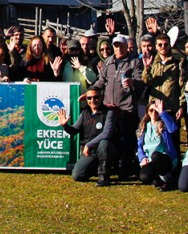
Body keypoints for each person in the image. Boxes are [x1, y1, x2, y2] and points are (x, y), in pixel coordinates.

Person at [94, 35, 140, 186]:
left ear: (127, 47)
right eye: (116, 46)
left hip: (127, 109)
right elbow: (101, 82)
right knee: (107, 141)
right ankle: (106, 172)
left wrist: (133, 82)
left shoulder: (134, 62)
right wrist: (90, 91)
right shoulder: (108, 62)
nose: (118, 48)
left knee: (128, 142)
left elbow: (142, 82)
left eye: (121, 46)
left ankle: (125, 170)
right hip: (109, 109)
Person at [63, 88, 109, 182]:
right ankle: (95, 168)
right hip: (90, 152)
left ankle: (104, 176)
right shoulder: (85, 113)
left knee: (104, 143)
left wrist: (89, 144)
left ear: (101, 98)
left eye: (96, 97)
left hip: (105, 149)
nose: (92, 100)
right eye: (89, 98)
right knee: (78, 176)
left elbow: (107, 133)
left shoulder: (109, 112)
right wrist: (64, 125)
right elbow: (74, 130)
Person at [136, 98, 176, 189]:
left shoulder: (164, 125)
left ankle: (167, 179)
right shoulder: (144, 127)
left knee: (156, 156)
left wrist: (162, 112)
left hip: (165, 158)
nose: (154, 113)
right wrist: (142, 158)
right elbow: (139, 146)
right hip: (150, 160)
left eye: (156, 111)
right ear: (147, 112)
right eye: (151, 110)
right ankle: (157, 178)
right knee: (144, 177)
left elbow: (173, 129)